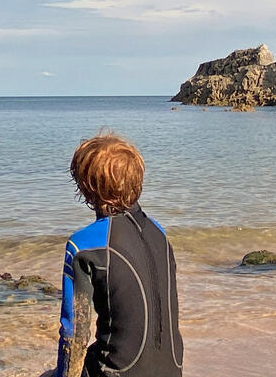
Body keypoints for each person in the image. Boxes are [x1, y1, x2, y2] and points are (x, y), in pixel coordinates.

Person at [55, 132, 183, 377]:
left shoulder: (83, 245)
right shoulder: (160, 233)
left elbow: (74, 334)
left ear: (86, 186)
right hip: (172, 370)